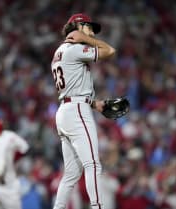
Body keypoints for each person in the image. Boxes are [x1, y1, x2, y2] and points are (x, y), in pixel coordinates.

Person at [51, 13, 116, 209]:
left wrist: (94, 104)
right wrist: (85, 38)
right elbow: (110, 51)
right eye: (89, 28)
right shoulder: (73, 48)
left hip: (67, 109)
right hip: (76, 111)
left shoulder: (60, 51)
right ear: (78, 26)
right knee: (93, 165)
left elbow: (73, 87)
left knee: (71, 174)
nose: (92, 32)